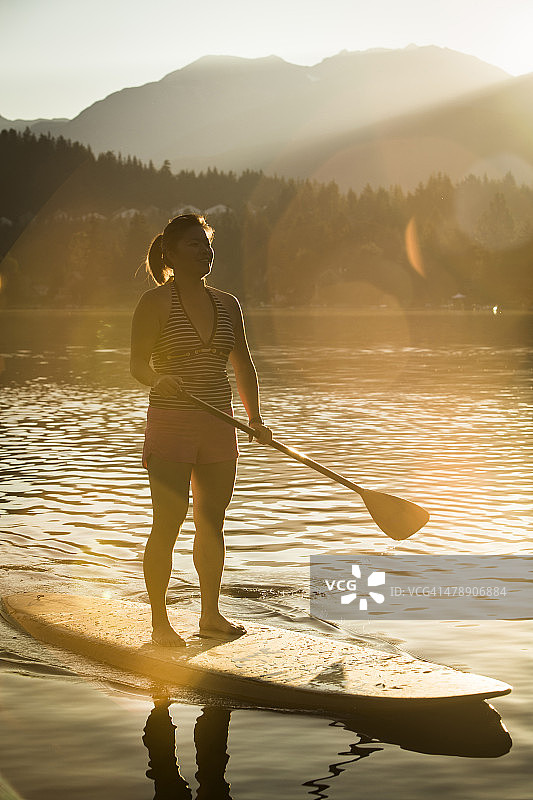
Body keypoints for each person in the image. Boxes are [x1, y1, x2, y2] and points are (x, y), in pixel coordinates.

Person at [130, 214, 272, 646]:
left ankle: (210, 616)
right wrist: (159, 379)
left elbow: (242, 364)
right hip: (171, 424)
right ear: (170, 253)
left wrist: (256, 418)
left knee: (212, 523)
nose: (204, 251)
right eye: (193, 245)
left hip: (218, 426)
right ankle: (160, 623)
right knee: (168, 524)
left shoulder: (228, 304)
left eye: (207, 245)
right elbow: (137, 366)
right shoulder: (153, 304)